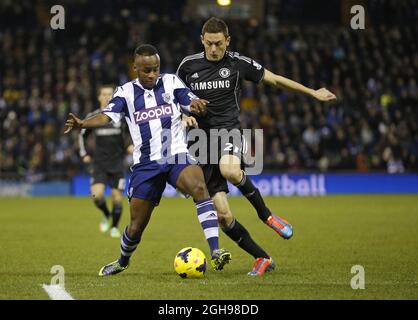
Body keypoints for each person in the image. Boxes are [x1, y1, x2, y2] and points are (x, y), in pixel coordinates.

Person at [177, 17, 337, 276]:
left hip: (228, 130)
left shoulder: (238, 63)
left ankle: (267, 216)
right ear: (201, 40)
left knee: (229, 170)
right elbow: (174, 96)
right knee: (223, 216)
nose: (214, 49)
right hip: (201, 143)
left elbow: (274, 79)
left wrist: (312, 92)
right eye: (209, 44)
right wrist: (183, 114)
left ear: (227, 41)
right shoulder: (187, 66)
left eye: (219, 43)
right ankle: (263, 258)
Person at [64, 44, 231, 276]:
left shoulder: (171, 82)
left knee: (199, 187)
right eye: (146, 70)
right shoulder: (125, 92)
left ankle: (215, 251)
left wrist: (196, 106)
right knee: (136, 226)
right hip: (146, 164)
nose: (152, 74)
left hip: (176, 154)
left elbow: (188, 99)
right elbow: (106, 116)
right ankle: (123, 260)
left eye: (155, 69)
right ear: (135, 68)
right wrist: (83, 123)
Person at [78, 84, 133, 238]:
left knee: (117, 198)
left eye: (110, 94)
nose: (108, 97)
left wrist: (130, 146)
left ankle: (114, 227)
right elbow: (82, 134)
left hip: (117, 164)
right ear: (99, 97)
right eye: (104, 94)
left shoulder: (121, 116)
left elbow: (129, 135)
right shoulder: (93, 116)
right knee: (96, 196)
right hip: (99, 164)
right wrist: (84, 154)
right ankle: (106, 214)